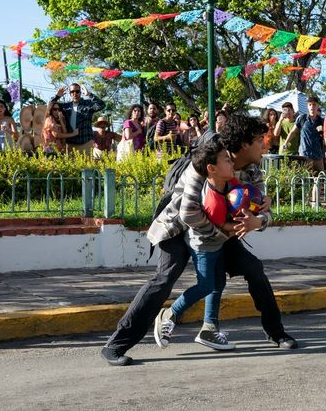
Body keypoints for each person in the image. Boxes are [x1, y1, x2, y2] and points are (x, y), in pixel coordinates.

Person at [100, 115, 297, 367]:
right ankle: (116, 344)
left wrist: (257, 221)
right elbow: (189, 212)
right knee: (165, 278)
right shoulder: (206, 160)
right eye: (260, 140)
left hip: (216, 232)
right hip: (177, 228)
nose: (266, 145)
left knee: (253, 268)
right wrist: (225, 229)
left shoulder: (252, 170)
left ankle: (276, 332)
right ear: (244, 144)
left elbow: (264, 211)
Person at [153, 141, 238, 350]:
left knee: (218, 283)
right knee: (206, 285)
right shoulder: (211, 199)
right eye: (226, 160)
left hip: (216, 243)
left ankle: (208, 328)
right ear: (211, 169)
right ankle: (170, 313)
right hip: (204, 245)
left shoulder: (225, 183)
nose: (231, 163)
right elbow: (218, 222)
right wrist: (232, 227)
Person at [284, 96, 325, 205]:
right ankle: (305, 202)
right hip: (304, 154)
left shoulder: (321, 120)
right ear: (307, 106)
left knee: (319, 179)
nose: (312, 107)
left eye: (314, 105)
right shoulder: (302, 118)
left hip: (318, 154)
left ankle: (315, 203)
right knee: (306, 180)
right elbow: (293, 132)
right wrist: (285, 142)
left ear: (318, 106)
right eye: (310, 105)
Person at [49, 83, 105, 154]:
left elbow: (101, 105)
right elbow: (50, 107)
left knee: (87, 165)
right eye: (72, 92)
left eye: (77, 91)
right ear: (70, 93)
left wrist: (89, 94)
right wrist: (56, 96)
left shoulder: (87, 104)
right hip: (70, 143)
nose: (75, 93)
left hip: (86, 142)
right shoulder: (65, 106)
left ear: (80, 93)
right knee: (71, 165)